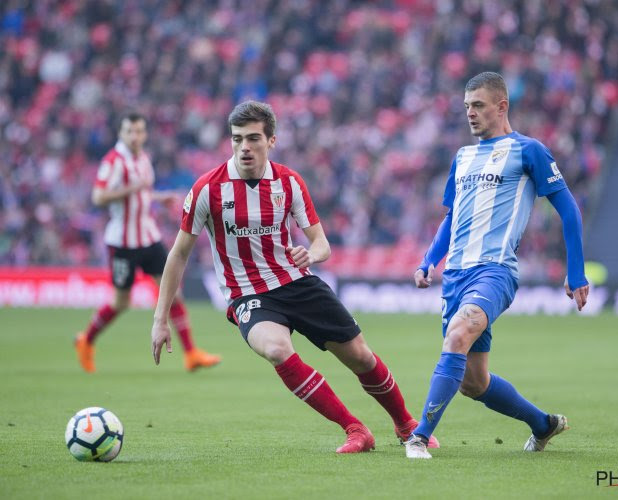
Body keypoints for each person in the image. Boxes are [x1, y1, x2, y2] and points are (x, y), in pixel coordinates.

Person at [150, 100, 439, 453]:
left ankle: (406, 423)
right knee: (276, 348)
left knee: (361, 357)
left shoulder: (288, 182)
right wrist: (160, 318)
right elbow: (178, 253)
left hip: (297, 283)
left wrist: (311, 254)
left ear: (271, 140)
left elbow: (321, 244)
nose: (244, 147)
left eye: (254, 138)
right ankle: (355, 429)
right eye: (237, 139)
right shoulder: (207, 189)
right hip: (248, 294)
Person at [405, 72, 590, 459]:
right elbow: (453, 217)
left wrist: (576, 274)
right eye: (467, 106)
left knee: (458, 334)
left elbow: (569, 210)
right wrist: (428, 260)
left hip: (495, 270)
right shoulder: (464, 156)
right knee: (473, 382)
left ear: (501, 106)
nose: (470, 113)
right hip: (455, 275)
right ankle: (543, 424)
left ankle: (419, 437)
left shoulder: (529, 151)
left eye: (478, 105)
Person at [75, 112, 221, 373]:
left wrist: (158, 196)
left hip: (149, 237)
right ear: (121, 134)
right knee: (121, 302)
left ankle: (191, 354)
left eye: (139, 131)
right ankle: (86, 340)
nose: (135, 136)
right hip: (122, 243)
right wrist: (134, 188)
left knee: (174, 292)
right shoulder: (114, 161)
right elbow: (98, 197)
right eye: (130, 131)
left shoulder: (142, 158)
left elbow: (140, 192)